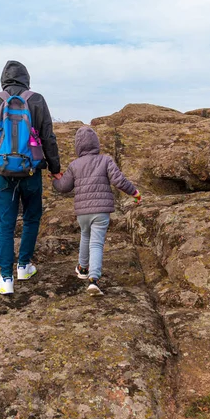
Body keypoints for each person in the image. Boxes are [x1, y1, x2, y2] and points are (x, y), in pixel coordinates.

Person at [0, 60, 62, 294]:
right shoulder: (36, 99)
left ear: (4, 79)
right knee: (32, 218)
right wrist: (55, 168)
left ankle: (6, 279)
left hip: (2, 172)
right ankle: (24, 266)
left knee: (6, 225)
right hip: (31, 170)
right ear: (26, 78)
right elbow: (48, 136)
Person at [52, 126, 141, 296]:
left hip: (82, 212)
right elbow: (119, 181)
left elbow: (64, 187)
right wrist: (134, 192)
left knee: (85, 236)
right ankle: (93, 280)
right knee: (97, 243)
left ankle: (82, 268)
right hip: (101, 210)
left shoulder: (74, 165)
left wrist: (55, 181)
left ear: (78, 146)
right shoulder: (105, 160)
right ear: (96, 144)